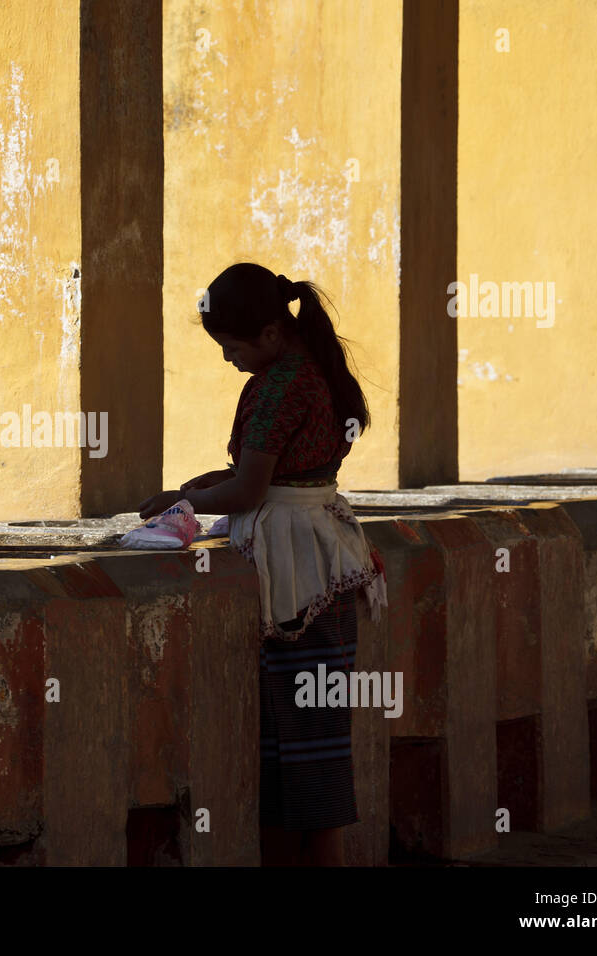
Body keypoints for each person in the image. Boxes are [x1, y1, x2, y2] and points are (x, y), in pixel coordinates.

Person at [137, 262, 386, 866]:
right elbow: (277, 474)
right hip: (323, 556)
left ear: (271, 335)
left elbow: (250, 492)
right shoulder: (311, 368)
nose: (229, 360)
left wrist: (185, 502)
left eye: (232, 348)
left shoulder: (281, 385)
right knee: (310, 746)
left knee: (298, 752)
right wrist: (198, 485)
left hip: (299, 573)